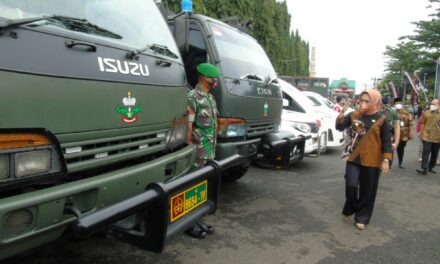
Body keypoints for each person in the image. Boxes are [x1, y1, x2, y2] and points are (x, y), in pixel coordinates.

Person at [336, 89, 392, 230]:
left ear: (375, 102)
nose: (363, 103)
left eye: (367, 101)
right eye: (361, 100)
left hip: (372, 160)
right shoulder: (354, 114)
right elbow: (339, 127)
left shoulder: (381, 119)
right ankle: (351, 207)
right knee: (351, 185)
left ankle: (362, 217)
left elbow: (386, 141)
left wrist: (386, 159)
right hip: (354, 157)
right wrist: (342, 112)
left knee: (368, 191)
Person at [185, 62, 221, 238]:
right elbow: (188, 126)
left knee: (202, 185)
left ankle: (198, 219)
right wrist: (188, 148)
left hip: (209, 149)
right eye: (213, 78)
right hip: (198, 150)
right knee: (192, 185)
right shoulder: (193, 97)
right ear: (205, 77)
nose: (215, 81)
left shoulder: (210, 98)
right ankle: (189, 224)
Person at [416, 99, 440, 175]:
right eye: (431, 104)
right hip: (427, 136)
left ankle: (431, 167)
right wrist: (421, 132)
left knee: (435, 153)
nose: (432, 105)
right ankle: (424, 168)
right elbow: (423, 123)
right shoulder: (426, 113)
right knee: (425, 152)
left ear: (438, 105)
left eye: (434, 104)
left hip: (437, 137)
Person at [380, 90, 400, 166]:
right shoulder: (373, 110)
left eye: (387, 96)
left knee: (387, 161)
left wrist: (396, 142)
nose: (386, 98)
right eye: (384, 96)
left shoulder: (392, 111)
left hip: (388, 139)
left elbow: (396, 127)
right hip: (375, 138)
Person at [394, 98, 414, 168]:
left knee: (401, 148)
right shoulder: (391, 112)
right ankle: (388, 163)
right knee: (390, 148)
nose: (398, 105)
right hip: (393, 134)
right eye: (396, 103)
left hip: (403, 134)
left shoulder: (407, 113)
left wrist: (411, 133)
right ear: (394, 104)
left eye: (399, 103)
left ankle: (400, 162)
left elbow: (411, 123)